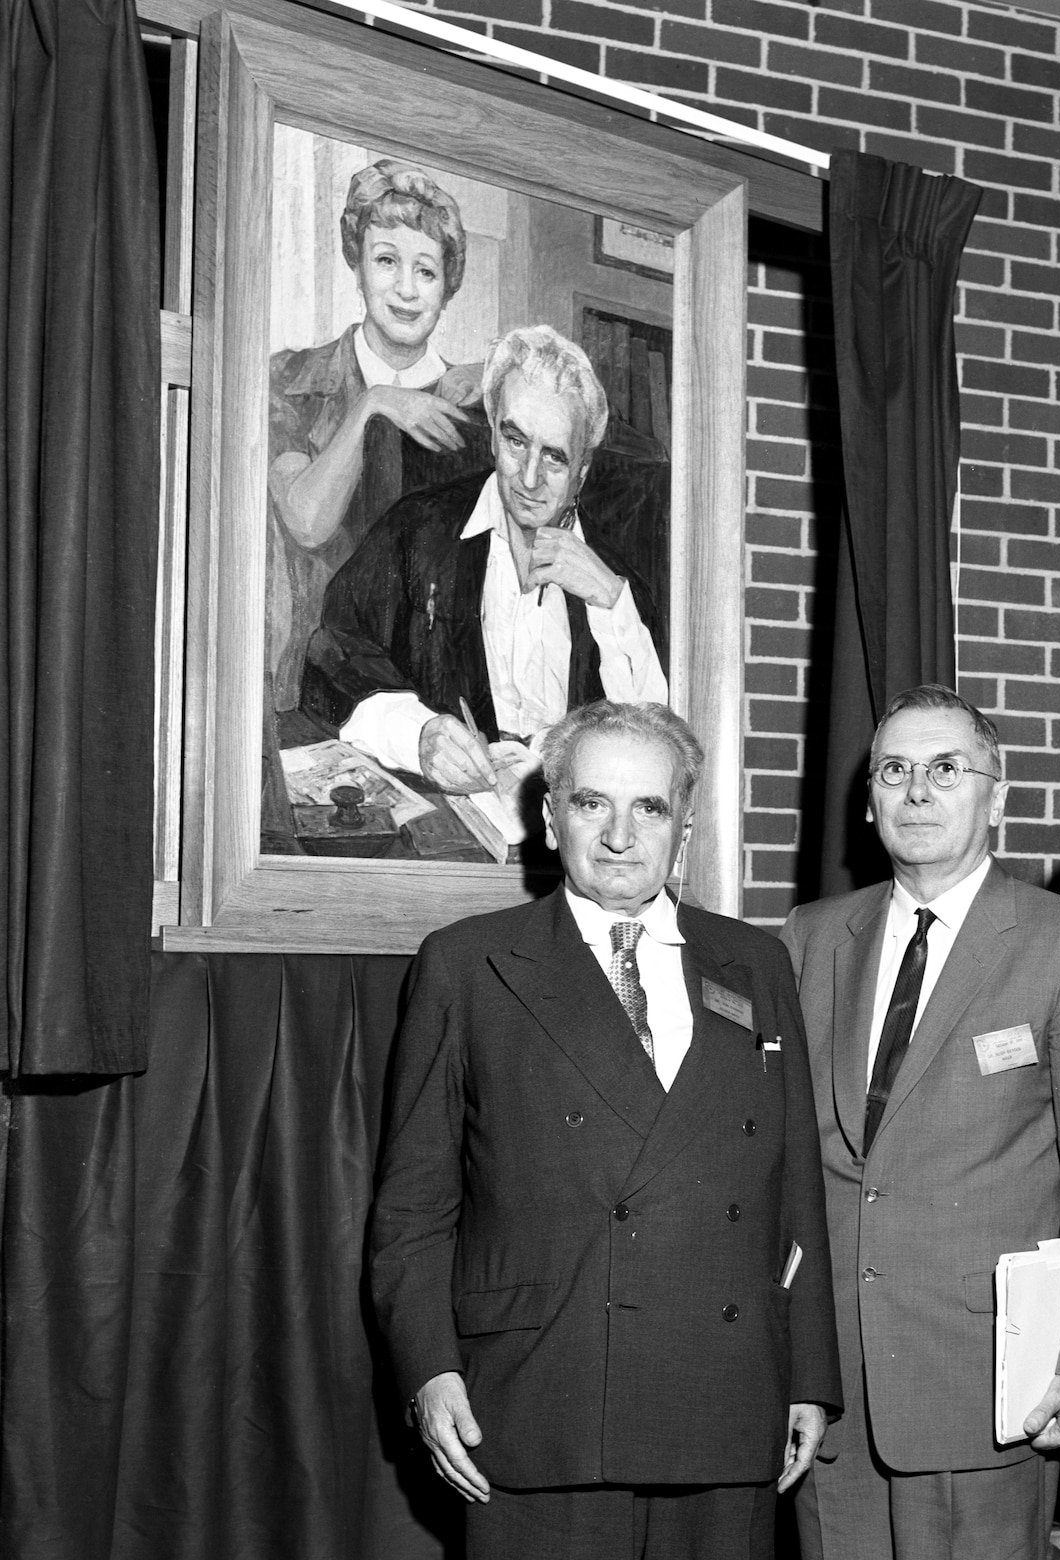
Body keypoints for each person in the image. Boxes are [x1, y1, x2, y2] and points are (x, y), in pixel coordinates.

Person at [369, 699, 840, 1559]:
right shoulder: (469, 963)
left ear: (683, 830)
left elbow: (791, 1187)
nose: (621, 834)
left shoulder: (756, 963)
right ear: (550, 820)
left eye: (649, 808)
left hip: (725, 1399)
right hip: (542, 1398)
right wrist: (430, 1370)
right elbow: (413, 1209)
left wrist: (808, 1375)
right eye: (593, 803)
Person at [780, 685, 1060, 1560]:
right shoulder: (808, 939)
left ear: (998, 794)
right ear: (868, 800)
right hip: (831, 1385)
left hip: (988, 1388)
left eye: (948, 770)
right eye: (896, 772)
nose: (918, 792)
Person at [301, 324, 668, 799]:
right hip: (451, 817)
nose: (529, 479)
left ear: (582, 471)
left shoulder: (617, 574)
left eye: (555, 458)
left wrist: (610, 602)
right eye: (516, 442)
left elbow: (653, 738)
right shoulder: (418, 529)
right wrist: (418, 735)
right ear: (493, 433)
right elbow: (331, 652)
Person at [267, 158, 482, 709]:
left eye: (427, 271)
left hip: (431, 702)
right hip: (307, 687)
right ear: (357, 266)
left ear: (448, 286)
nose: (407, 289)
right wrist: (373, 405)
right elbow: (308, 522)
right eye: (387, 261)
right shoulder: (289, 380)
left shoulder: (476, 404)